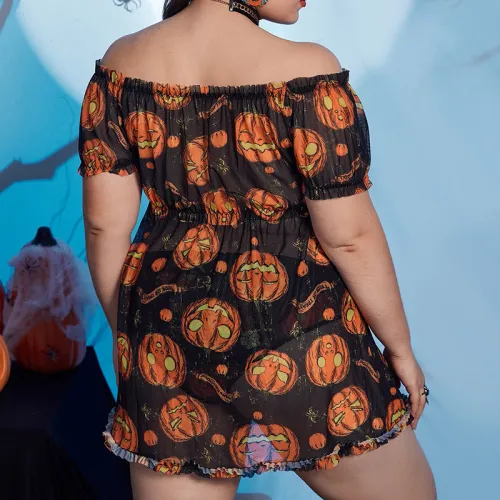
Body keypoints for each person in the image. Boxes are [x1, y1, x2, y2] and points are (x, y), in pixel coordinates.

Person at [77, 1, 437, 499]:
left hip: (167, 341)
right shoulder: (308, 73)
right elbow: (348, 236)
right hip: (300, 333)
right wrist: (399, 347)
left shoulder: (121, 67)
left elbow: (103, 228)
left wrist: (136, 344)